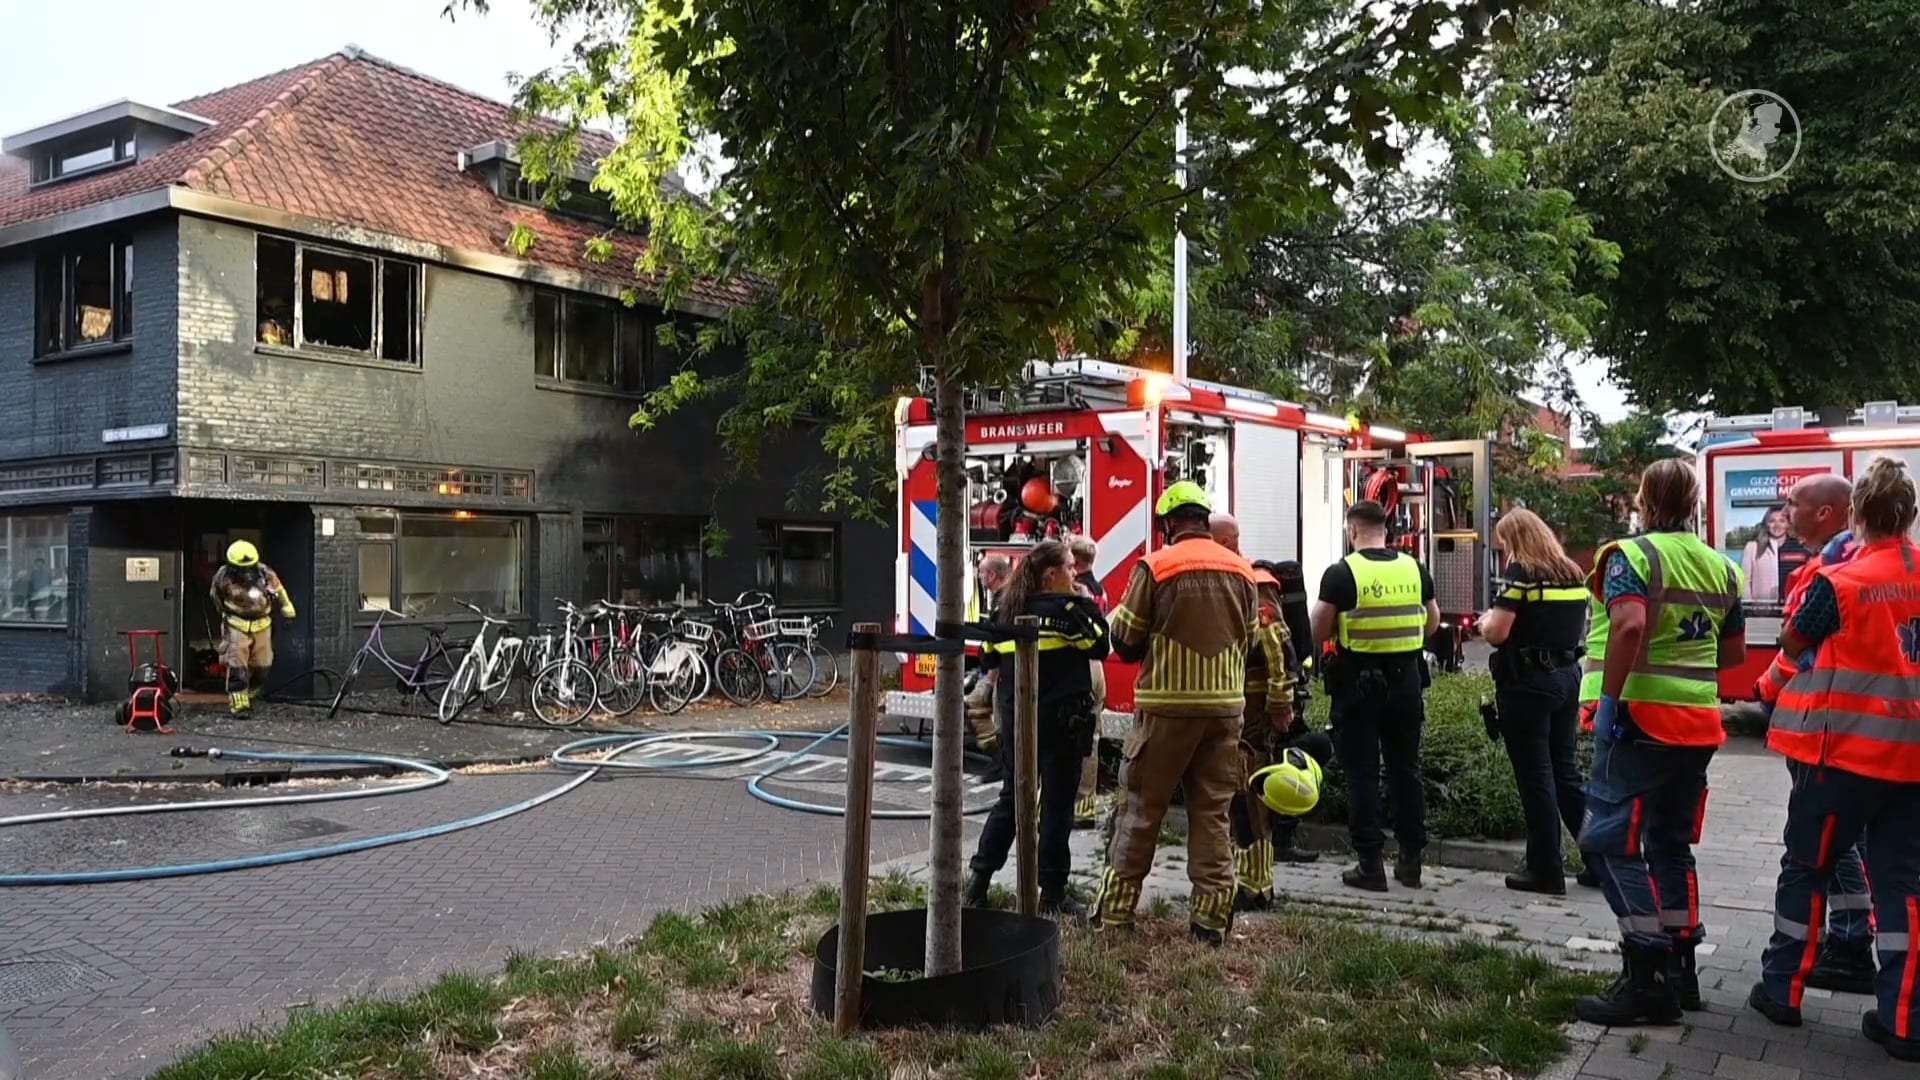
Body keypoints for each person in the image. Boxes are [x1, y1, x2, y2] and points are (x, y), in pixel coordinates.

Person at [1748, 456, 1920, 1061]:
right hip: (1912, 765)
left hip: (1841, 758)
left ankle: (1782, 991)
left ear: (1856, 514)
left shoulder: (1839, 582)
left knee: (1807, 869)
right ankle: (1905, 1021)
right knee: (1903, 887)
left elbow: (1794, 639)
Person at [1574, 458, 1745, 1026]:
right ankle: (1681, 971)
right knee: (1670, 844)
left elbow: (1627, 625)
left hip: (1637, 722)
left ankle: (1646, 972)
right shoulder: (1723, 569)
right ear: (1695, 504)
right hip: (1697, 725)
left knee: (1607, 842)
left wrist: (1610, 703)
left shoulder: (1631, 557)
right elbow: (1732, 655)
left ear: (1644, 501)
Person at [1092, 481, 1260, 945]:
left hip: (1166, 710)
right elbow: (1251, 641)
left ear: (1168, 524)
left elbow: (1125, 642)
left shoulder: (1157, 566)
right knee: (1213, 815)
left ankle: (1116, 916)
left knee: (1141, 811)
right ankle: (1210, 923)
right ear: (1204, 521)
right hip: (1225, 711)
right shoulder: (1242, 570)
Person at [1753, 473, 1876, 995]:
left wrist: (1766, 686)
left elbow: (1799, 647)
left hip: (1825, 732)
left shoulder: (1832, 571)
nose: (1785, 511)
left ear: (1826, 512)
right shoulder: (1856, 561)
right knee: (1852, 845)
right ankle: (1850, 940)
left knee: (1819, 852)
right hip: (1857, 732)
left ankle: (1834, 951)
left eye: (1794, 503)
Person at [963, 540, 1109, 920]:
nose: (1075, 574)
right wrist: (1083, 602)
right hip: (1062, 724)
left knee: (1012, 800)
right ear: (1051, 574)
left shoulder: (1007, 609)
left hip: (1018, 720)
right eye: (1070, 568)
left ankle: (978, 882)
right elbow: (1100, 645)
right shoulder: (1070, 611)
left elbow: (988, 658)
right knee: (1057, 808)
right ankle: (1053, 892)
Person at [1311, 499, 1440, 893]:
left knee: (1362, 773)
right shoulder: (1415, 569)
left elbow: (1317, 631)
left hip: (1359, 687)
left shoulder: (1341, 573)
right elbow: (1432, 622)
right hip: (1406, 684)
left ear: (1352, 531)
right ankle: (1411, 862)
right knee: (1406, 770)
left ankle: (1370, 865)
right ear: (1386, 530)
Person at [1211, 513, 1324, 910]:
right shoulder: (1228, 577)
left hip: (1254, 712)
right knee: (1240, 796)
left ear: (1225, 541)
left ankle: (1255, 887)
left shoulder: (1253, 582)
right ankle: (1252, 882)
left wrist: (1280, 706)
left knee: (1251, 797)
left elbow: (1276, 645)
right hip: (1235, 706)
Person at [1481, 509, 1589, 896]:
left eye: (1505, 542)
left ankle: (1545, 870)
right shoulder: (1572, 572)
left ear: (1517, 539)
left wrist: (1484, 622)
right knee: (1566, 773)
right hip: (1567, 677)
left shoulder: (1521, 574)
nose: (1505, 550)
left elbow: (1497, 632)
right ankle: (1600, 859)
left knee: (1536, 778)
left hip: (1528, 684)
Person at [211, 539, 297, 715]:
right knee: (237, 663)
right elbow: (216, 596)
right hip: (236, 623)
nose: (245, 573)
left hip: (262, 623)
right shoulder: (223, 576)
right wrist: (225, 613)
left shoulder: (266, 574)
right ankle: (239, 703)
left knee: (263, 664)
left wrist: (288, 610)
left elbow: (279, 591)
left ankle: (251, 692)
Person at [1068, 535, 1107, 828]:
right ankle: (1085, 807)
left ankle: (1060, 803)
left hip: (1078, 666)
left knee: (1068, 737)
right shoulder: (1098, 588)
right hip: (1097, 668)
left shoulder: (1075, 590)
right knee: (1091, 737)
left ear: (1076, 561)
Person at [966, 554, 1015, 763]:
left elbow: (999, 645)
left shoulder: (1004, 602)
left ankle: (999, 760)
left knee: (1001, 722)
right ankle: (998, 760)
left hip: (1004, 674)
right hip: (1002, 673)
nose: (979, 576)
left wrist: (989, 680)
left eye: (981, 572)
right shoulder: (1005, 597)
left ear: (992, 575)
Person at [1741, 506, 1792, 604]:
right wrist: (1749, 605)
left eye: (1782, 521)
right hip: (1762, 610)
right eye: (1772, 521)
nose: (1777, 525)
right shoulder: (1752, 548)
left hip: (1792, 608)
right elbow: (1745, 581)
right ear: (1766, 524)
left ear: (1788, 524)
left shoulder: (1798, 548)